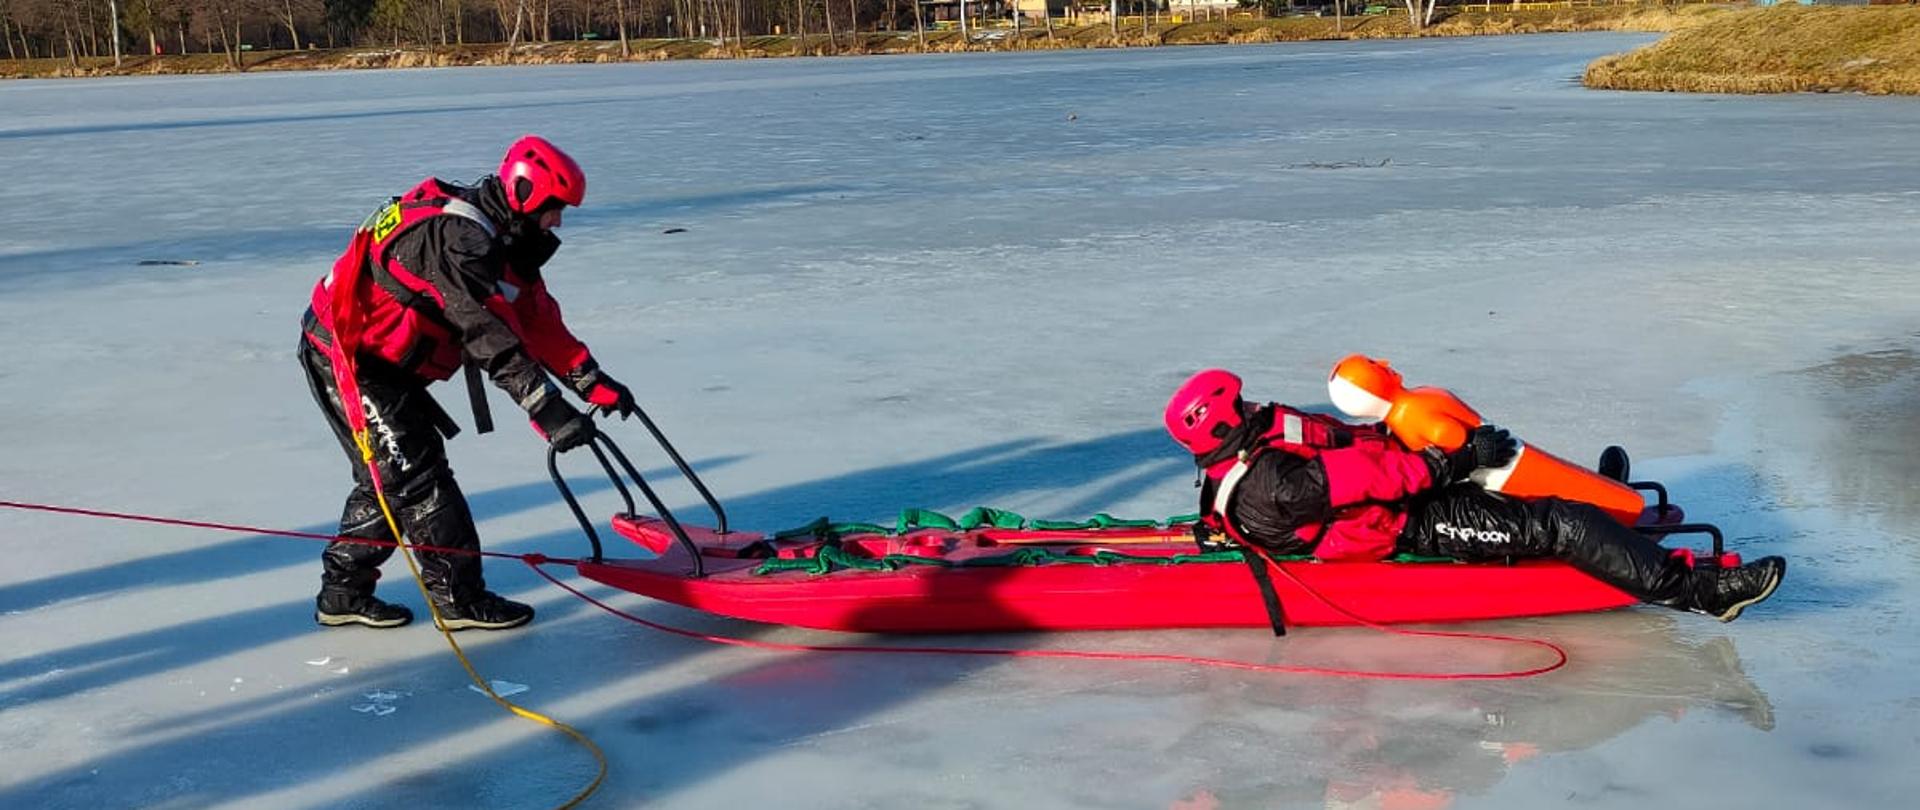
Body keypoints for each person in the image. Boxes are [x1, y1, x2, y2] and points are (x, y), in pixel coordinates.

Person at [299, 136, 639, 630]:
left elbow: (533, 314)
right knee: (418, 478)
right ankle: (458, 600)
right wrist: (545, 408)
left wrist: (587, 378)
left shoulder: (499, 236)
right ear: (525, 195)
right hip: (347, 356)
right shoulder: (459, 241)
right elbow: (484, 334)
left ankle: (342, 592)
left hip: (383, 361)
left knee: (393, 473)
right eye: (554, 209)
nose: (558, 222)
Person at [1163, 369, 1785, 622]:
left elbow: (1361, 451)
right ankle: (1698, 594)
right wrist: (1454, 459)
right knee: (1556, 526)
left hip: (1402, 496)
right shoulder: (1271, 479)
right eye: (1236, 404)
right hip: (1409, 526)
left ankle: (1609, 501)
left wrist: (1429, 444)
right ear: (1222, 423)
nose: (1248, 404)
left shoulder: (1247, 455)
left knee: (1509, 470)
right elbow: (1380, 483)